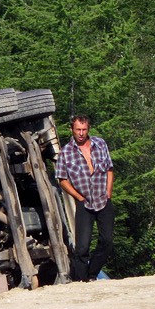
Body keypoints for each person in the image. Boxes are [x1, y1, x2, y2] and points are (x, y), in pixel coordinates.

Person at [55, 114, 115, 281]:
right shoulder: (66, 152)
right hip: (85, 202)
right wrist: (78, 197)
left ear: (88, 129)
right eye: (78, 130)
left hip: (103, 199)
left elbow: (109, 168)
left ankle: (92, 273)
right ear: (72, 130)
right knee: (82, 247)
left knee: (107, 240)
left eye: (84, 129)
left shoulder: (100, 144)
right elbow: (62, 179)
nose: (81, 133)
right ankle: (81, 280)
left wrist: (109, 191)